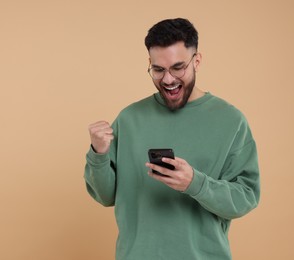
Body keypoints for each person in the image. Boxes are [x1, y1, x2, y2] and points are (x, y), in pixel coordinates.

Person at [84, 18, 260, 260]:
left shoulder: (231, 121)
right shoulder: (129, 118)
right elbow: (105, 196)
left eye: (178, 67)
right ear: (150, 64)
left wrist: (195, 183)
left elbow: (246, 197)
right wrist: (98, 154)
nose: (168, 80)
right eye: (158, 69)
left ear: (196, 61)